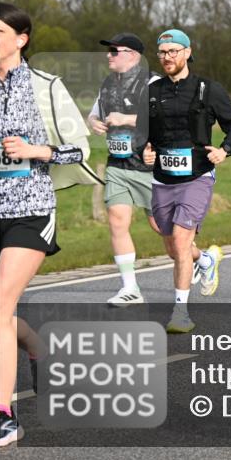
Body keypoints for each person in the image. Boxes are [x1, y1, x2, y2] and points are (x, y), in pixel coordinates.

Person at [0, 2, 92, 447]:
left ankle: (4, 415)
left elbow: (81, 150)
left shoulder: (45, 86)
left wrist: (37, 151)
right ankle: (38, 347)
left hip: (32, 206)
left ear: (21, 39)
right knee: (0, 309)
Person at [142, 29, 231, 333]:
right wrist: (145, 151)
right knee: (174, 248)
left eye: (173, 51)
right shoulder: (150, 92)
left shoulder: (208, 89)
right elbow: (143, 136)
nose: (167, 57)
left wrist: (224, 151)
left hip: (198, 176)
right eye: (162, 53)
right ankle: (207, 260)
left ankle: (180, 312)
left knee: (182, 240)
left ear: (187, 52)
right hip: (163, 178)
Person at [87, 33, 168, 306]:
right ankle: (130, 288)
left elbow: (166, 119)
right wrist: (94, 122)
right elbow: (93, 113)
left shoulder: (154, 83)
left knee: (163, 228)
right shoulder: (108, 84)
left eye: (113, 51)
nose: (108, 56)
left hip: (149, 166)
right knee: (117, 220)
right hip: (118, 164)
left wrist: (127, 119)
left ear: (133, 54)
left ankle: (201, 258)